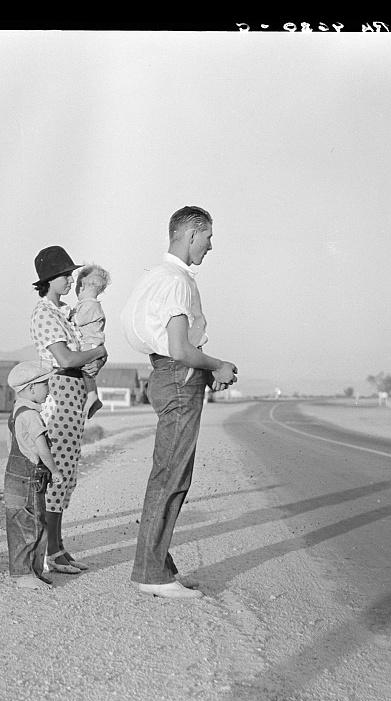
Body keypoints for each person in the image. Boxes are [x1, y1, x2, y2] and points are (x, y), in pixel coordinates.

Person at [119, 206, 238, 600]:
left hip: (167, 375)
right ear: (190, 235)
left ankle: (157, 565)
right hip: (178, 375)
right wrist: (217, 364)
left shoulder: (156, 276)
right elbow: (180, 349)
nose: (211, 245)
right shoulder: (177, 282)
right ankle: (151, 573)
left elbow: (152, 339)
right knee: (172, 475)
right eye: (207, 237)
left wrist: (203, 371)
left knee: (168, 471)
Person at [29, 245, 109, 574]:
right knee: (56, 473)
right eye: (64, 274)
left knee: (66, 473)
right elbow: (65, 359)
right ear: (49, 279)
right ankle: (50, 550)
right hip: (59, 392)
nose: (69, 279)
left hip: (73, 393)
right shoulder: (44, 313)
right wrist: (98, 352)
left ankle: (57, 547)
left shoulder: (64, 312)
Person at [3, 361, 63, 590]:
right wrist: (55, 470)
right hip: (28, 478)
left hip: (14, 475)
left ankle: (30, 571)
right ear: (31, 389)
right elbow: (41, 448)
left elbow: (10, 442)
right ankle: (24, 573)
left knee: (20, 522)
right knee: (32, 525)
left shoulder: (17, 410)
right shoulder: (32, 416)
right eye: (45, 384)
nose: (48, 388)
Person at [70, 263, 111, 420]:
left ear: (82, 287)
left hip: (91, 345)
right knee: (87, 373)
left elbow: (77, 321)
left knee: (87, 371)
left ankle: (93, 394)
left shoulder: (89, 305)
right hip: (94, 345)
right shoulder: (90, 304)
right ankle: (93, 395)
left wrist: (68, 315)